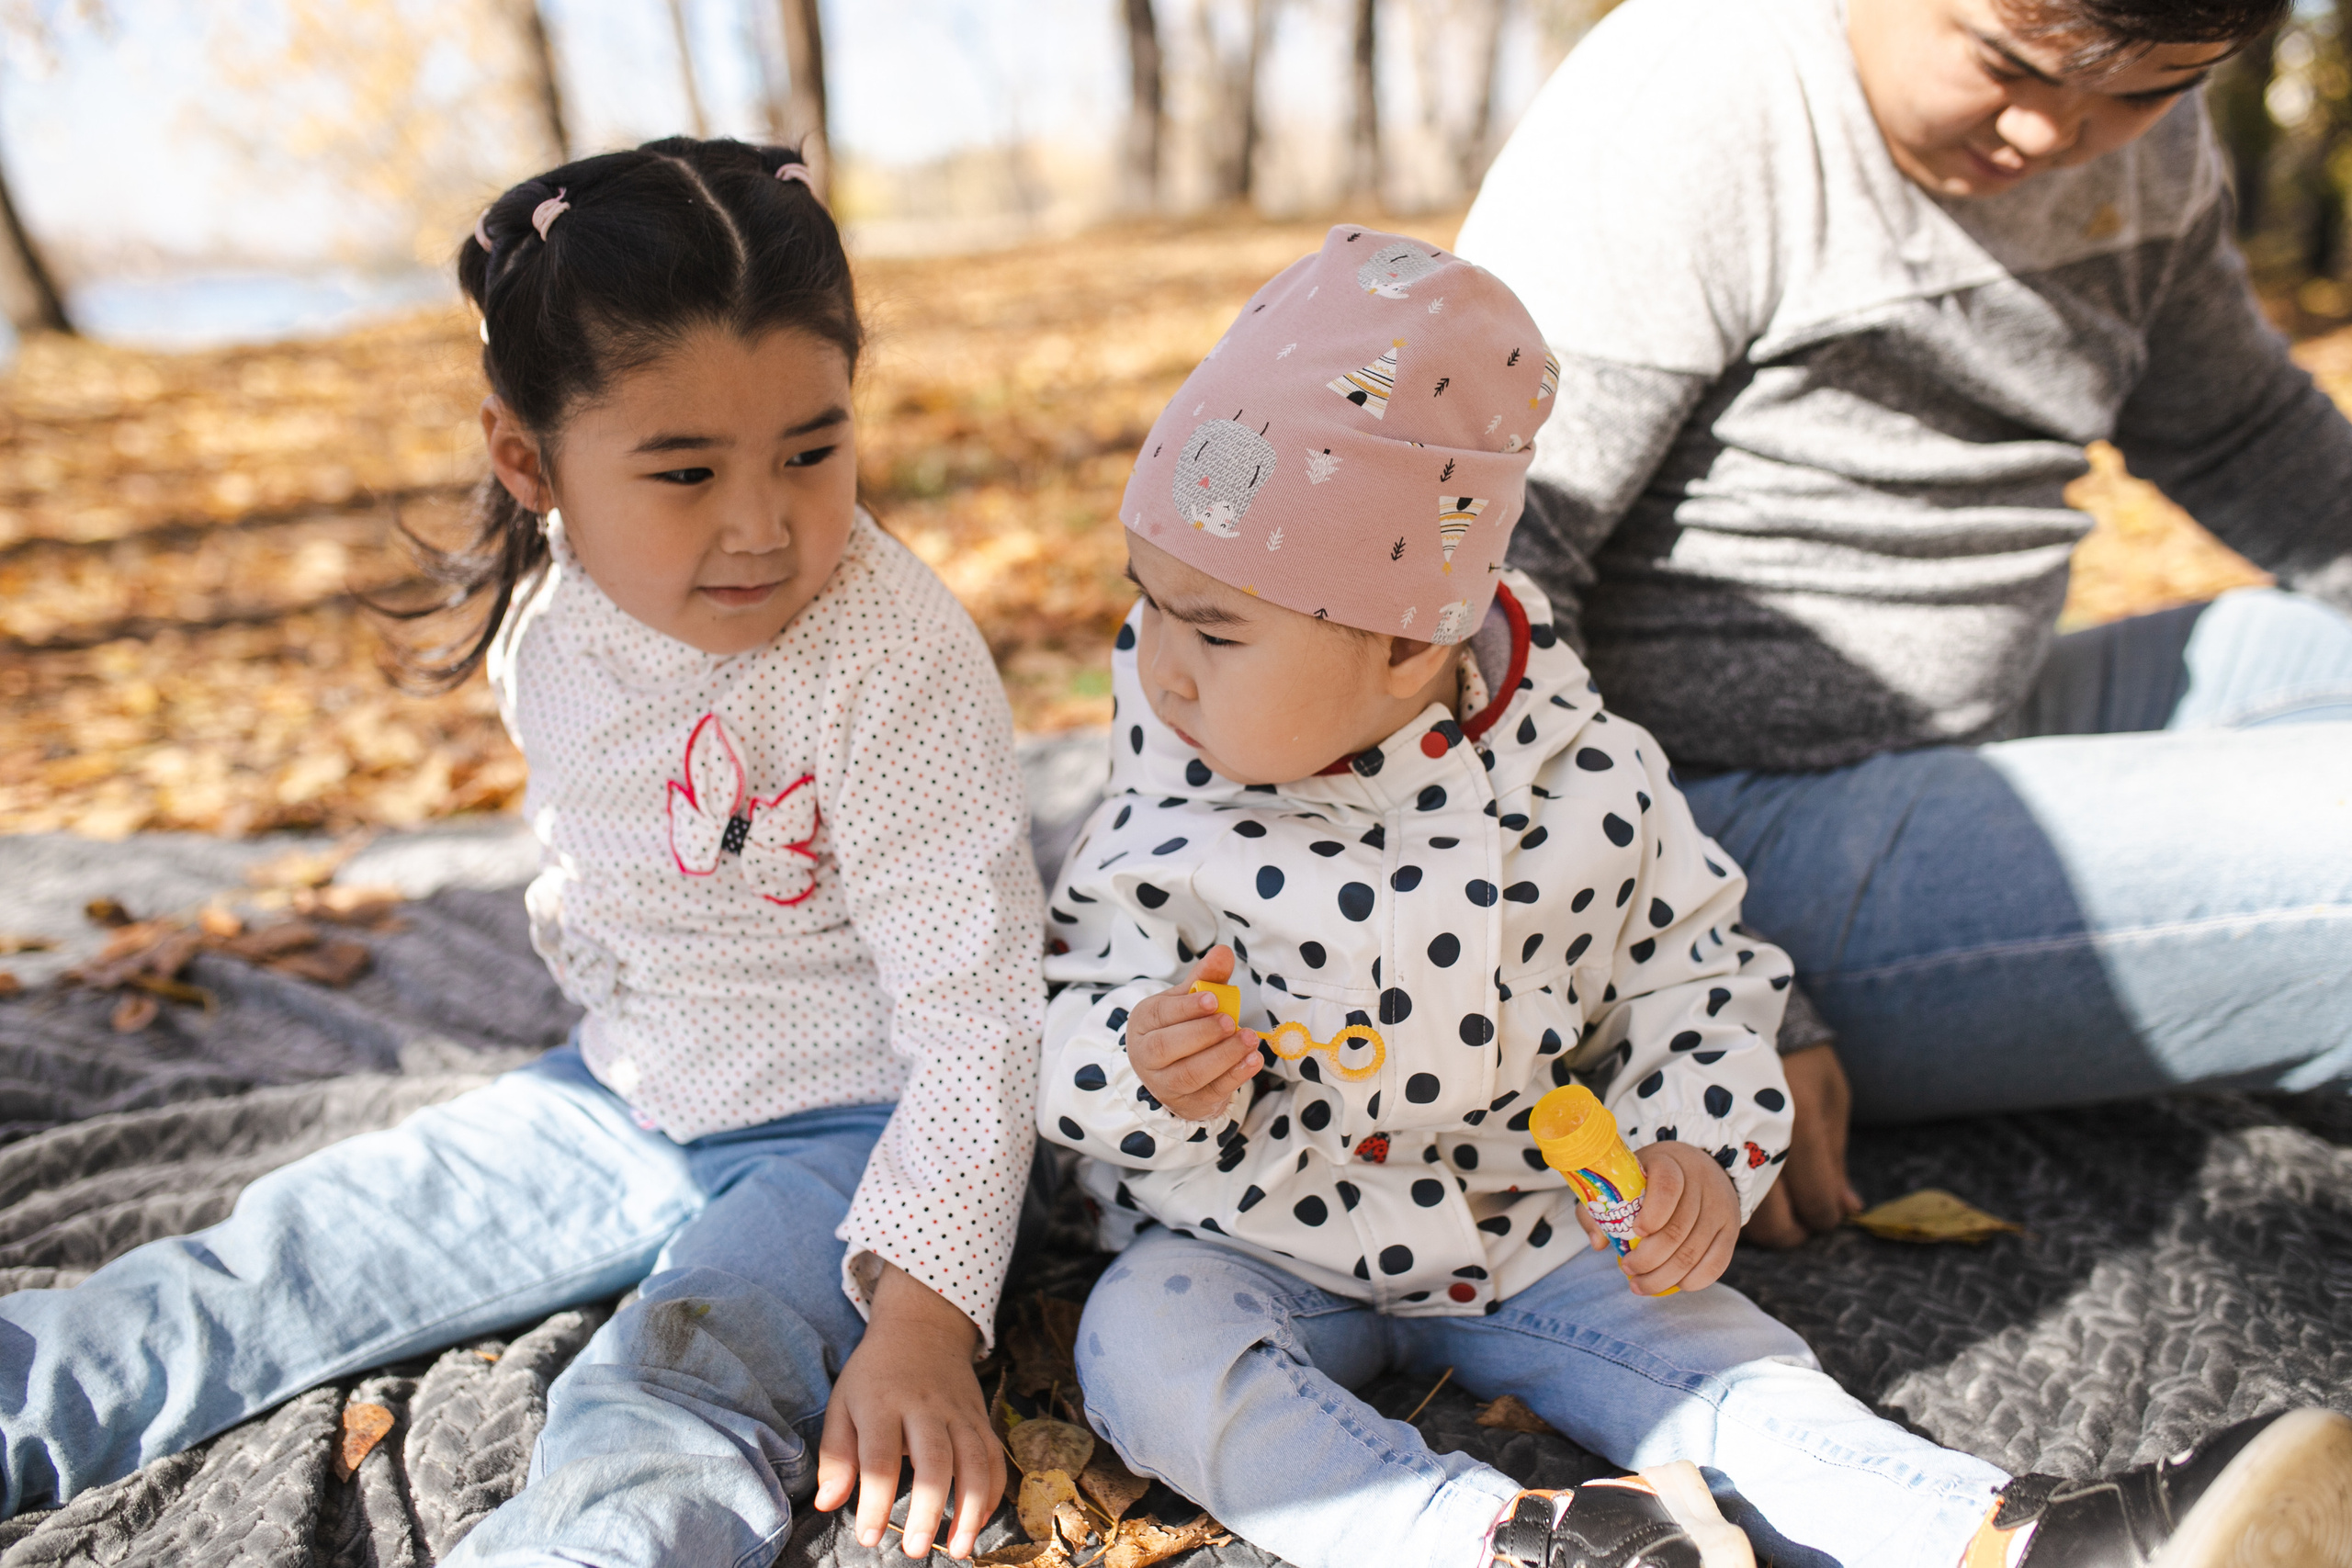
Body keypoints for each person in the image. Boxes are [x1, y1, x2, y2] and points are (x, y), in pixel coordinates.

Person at [1037, 230, 2352, 1568]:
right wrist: (1147, 1068)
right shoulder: (1165, 804)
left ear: (1404, 644)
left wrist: (1694, 1150)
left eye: (1213, 629)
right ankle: (1505, 1544)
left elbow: (1697, 978)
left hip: (1524, 1229)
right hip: (1243, 1240)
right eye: (1148, 604)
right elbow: (1063, 1020)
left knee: (1736, 1372)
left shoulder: (1588, 782)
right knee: (1144, 1347)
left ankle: (2018, 1535)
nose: (1159, 668)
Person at [0, 139, 1039, 1566]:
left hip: (866, 1137)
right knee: (281, 1261)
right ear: (526, 460)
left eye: (815, 449)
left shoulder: (890, 662)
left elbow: (980, 1017)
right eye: (685, 469)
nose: (765, 523)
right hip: (618, 1095)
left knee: (671, 1392)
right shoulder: (552, 624)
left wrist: (922, 1315)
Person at [1454, 0, 2352, 1252]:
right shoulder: (1694, 112)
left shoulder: (2142, 130)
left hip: (1989, 717)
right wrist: (1714, 981)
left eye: (2146, 91)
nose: (2053, 130)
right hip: (1705, 835)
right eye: (2005, 63)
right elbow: (1477, 600)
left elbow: (2237, 426)